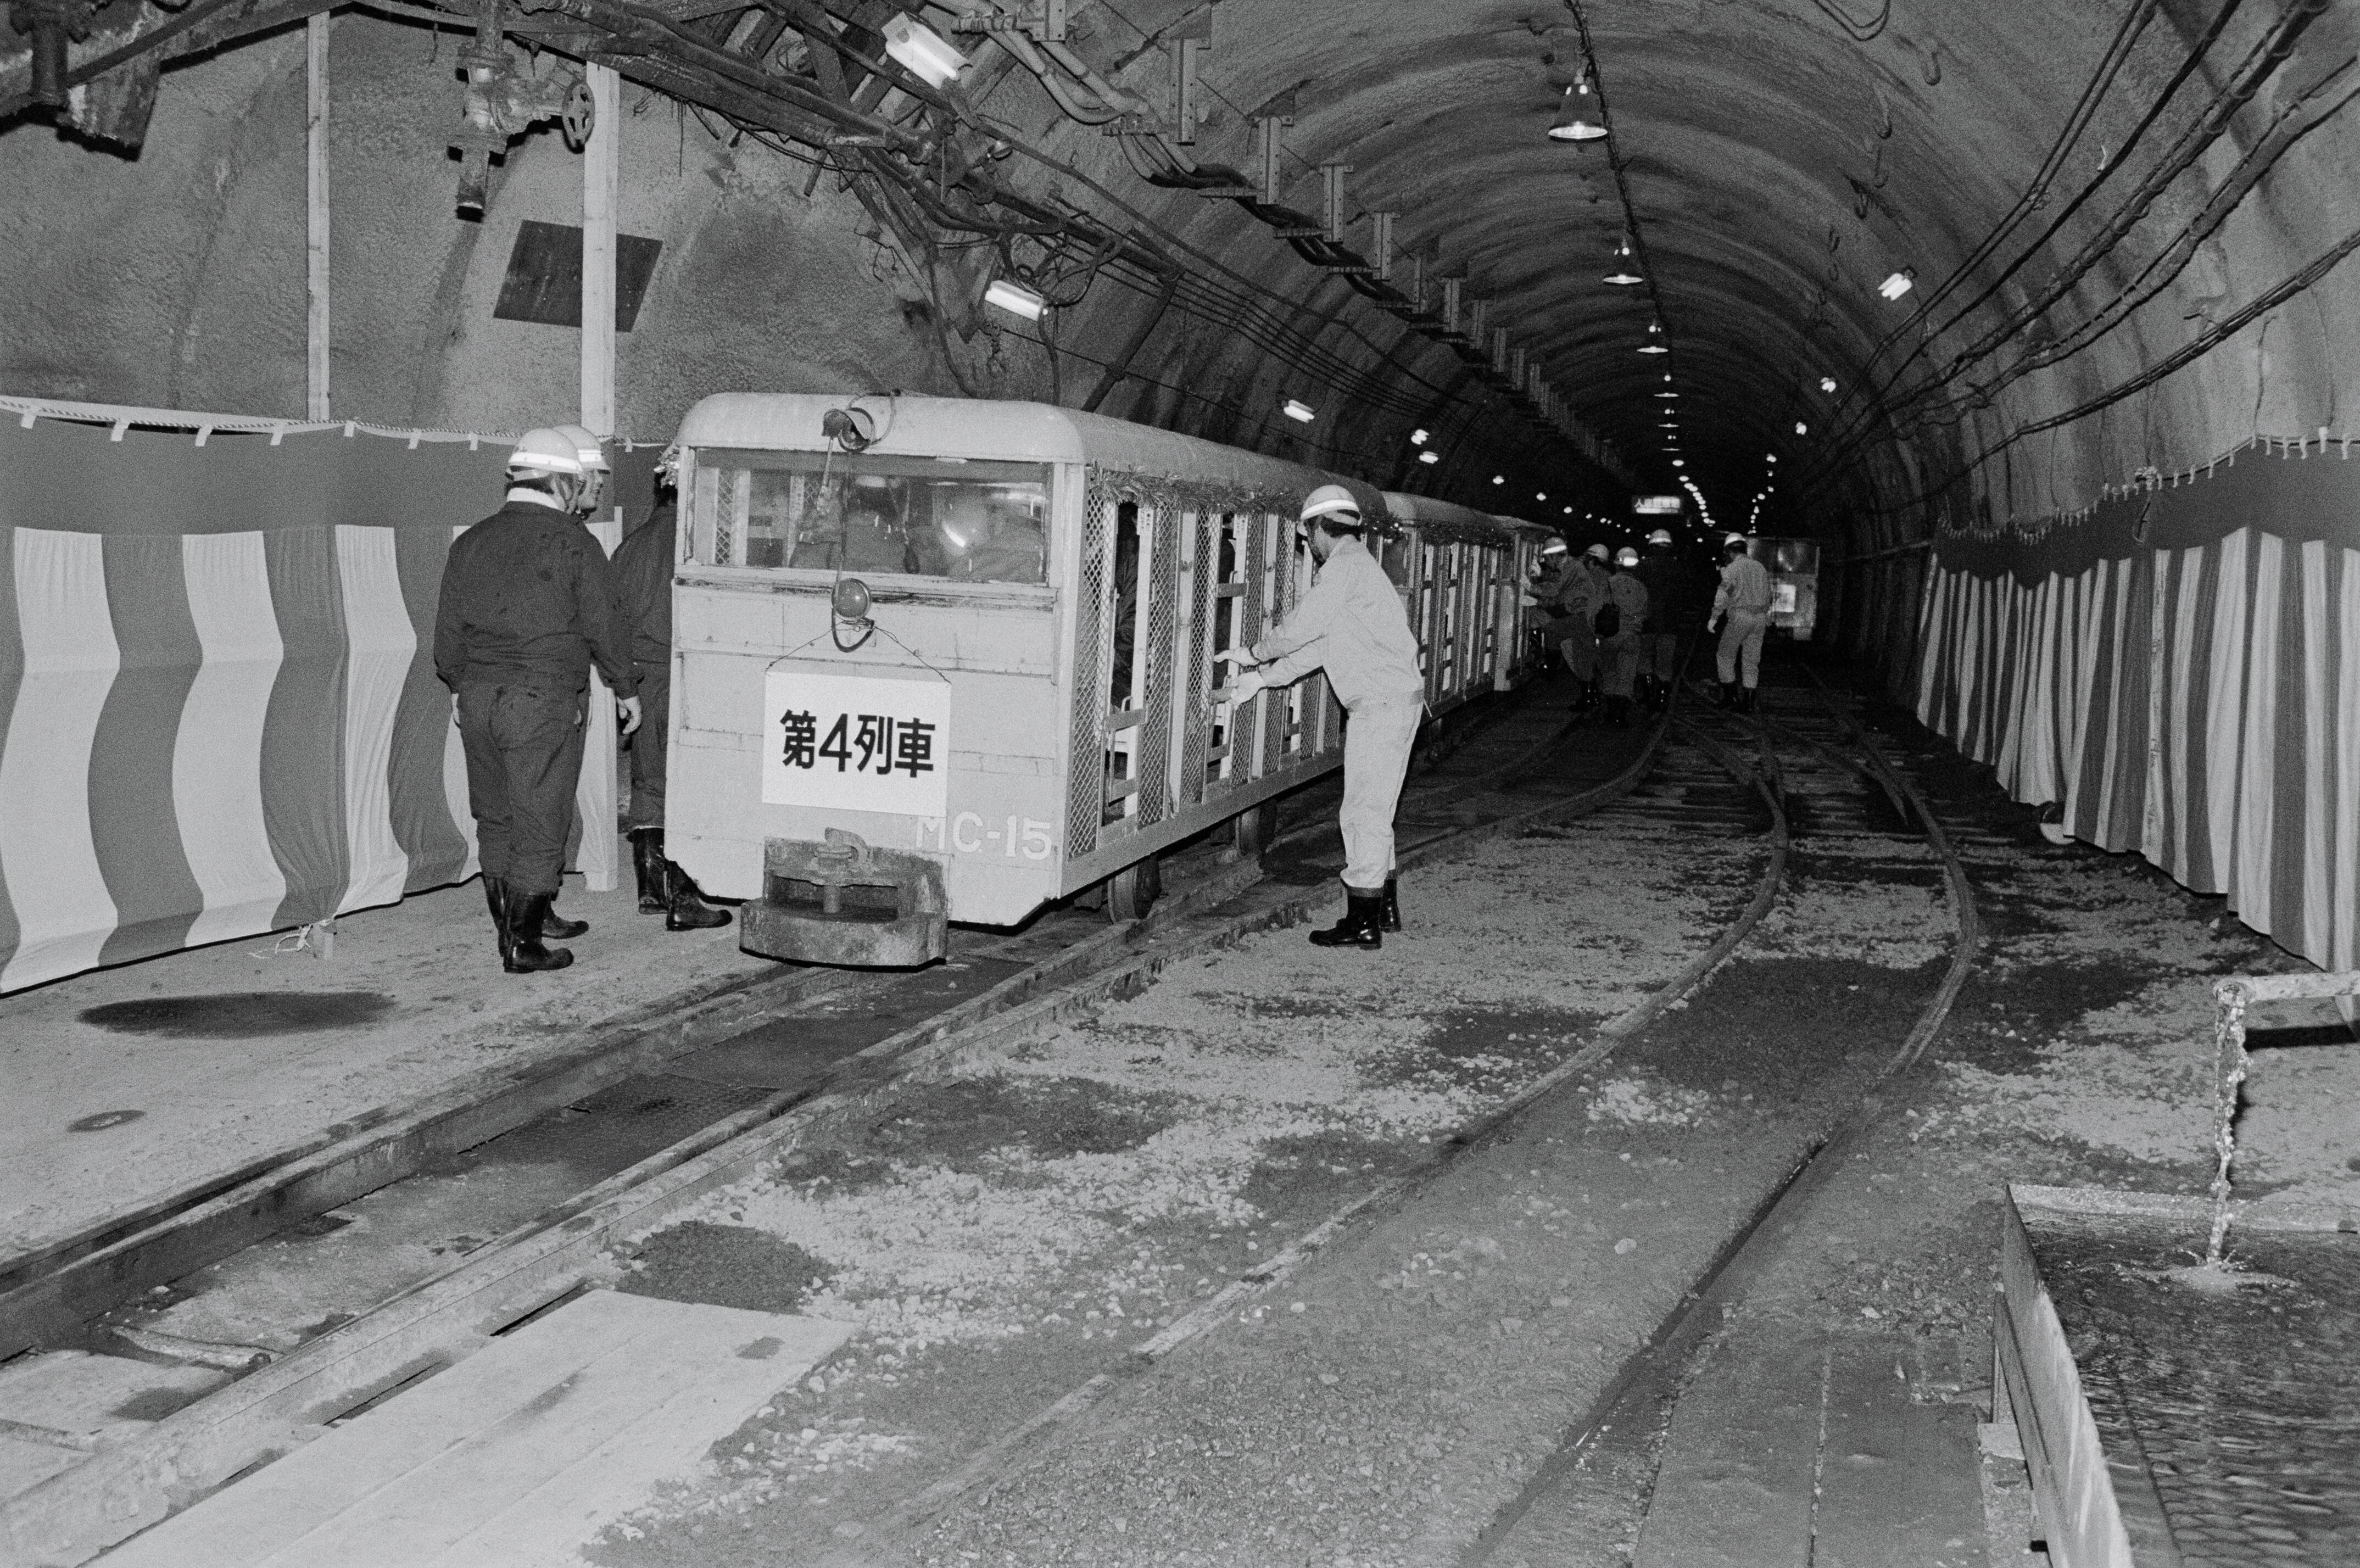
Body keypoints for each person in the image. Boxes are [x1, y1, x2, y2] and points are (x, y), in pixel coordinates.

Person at [435, 426, 642, 974]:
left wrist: (459, 686)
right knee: (540, 820)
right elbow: (606, 624)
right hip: (541, 698)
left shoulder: (470, 541)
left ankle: (510, 927)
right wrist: (625, 687)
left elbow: (446, 637)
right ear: (560, 481)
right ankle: (524, 944)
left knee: (496, 818)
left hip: (477, 700)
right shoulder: (574, 543)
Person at [1217, 485, 1423, 951]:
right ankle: (1384, 909)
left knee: (1362, 813)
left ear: (1317, 528)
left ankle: (1362, 922)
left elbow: (1302, 629)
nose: (1308, 546)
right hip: (1391, 702)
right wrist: (1263, 678)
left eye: (1308, 535)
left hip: (1380, 706)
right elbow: (1322, 645)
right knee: (1377, 810)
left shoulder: (1342, 569)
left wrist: (1253, 653)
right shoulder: (1358, 568)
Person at [609, 464, 731, 933]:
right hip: (687, 677)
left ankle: (649, 888)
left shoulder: (630, 547)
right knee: (689, 788)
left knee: (648, 782)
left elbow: (609, 621)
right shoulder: (701, 550)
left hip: (641, 681)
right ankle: (684, 898)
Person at [1708, 532, 1775, 712]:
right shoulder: (1759, 567)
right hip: (1759, 618)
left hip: (1740, 617)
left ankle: (1731, 698)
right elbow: (1769, 595)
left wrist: (1714, 617)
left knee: (1725, 656)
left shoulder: (1732, 569)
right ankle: (1749, 703)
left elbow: (1722, 596)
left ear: (1729, 551)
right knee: (1751, 661)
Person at [1548, 544, 1613, 710]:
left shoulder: (1590, 577)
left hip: (1584, 621)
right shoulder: (1608, 576)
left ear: (1592, 560)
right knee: (1589, 660)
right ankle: (1595, 696)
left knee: (1579, 656)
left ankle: (1588, 697)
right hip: (1600, 625)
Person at [1631, 528, 1686, 710]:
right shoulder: (1678, 567)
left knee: (1644, 658)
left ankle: (1646, 695)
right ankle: (1662, 699)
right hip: (1670, 623)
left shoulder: (1642, 567)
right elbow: (1683, 596)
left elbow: (1636, 594)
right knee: (1665, 663)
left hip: (1647, 622)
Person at [1599, 547, 1650, 728]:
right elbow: (1645, 612)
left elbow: (1596, 610)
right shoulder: (1640, 587)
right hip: (1631, 637)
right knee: (1626, 676)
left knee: (1610, 673)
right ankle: (1620, 716)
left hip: (1610, 635)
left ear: (1617, 563)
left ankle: (1611, 713)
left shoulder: (1608, 583)